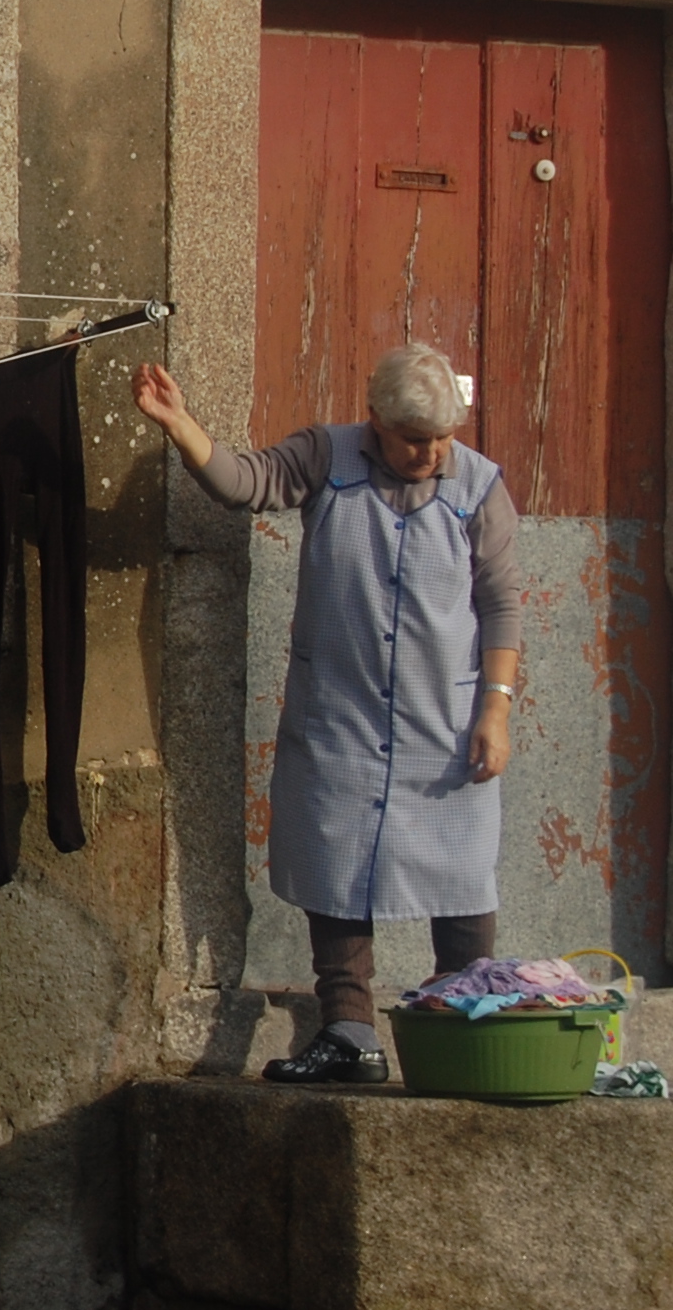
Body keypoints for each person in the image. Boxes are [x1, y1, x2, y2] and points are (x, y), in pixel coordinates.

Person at [133, 342, 522, 1085]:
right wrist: (181, 425)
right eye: (415, 438)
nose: (431, 453)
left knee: (464, 874)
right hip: (340, 721)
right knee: (335, 867)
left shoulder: (478, 489)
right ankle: (349, 1034)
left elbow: (501, 605)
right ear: (375, 420)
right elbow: (245, 483)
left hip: (445, 727)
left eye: (443, 439)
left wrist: (494, 710)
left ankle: (470, 1031)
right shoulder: (327, 456)